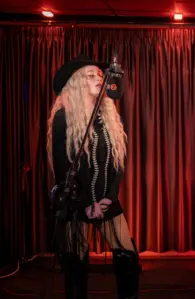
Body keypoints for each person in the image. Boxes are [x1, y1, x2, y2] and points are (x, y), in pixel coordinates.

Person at [46, 55, 140, 299]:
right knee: (75, 264)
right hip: (76, 203)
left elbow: (118, 162)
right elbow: (61, 169)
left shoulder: (107, 118)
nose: (99, 78)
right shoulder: (63, 119)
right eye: (91, 75)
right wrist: (86, 203)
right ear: (76, 83)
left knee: (128, 256)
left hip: (107, 200)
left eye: (100, 74)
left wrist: (110, 197)